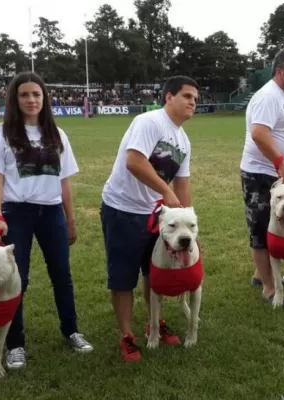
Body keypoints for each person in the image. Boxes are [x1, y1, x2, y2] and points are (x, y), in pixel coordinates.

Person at [0, 71, 93, 370]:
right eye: (25, 95)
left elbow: (65, 181)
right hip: (16, 212)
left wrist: (71, 219)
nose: (32, 100)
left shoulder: (57, 134)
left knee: (62, 275)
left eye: (37, 94)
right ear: (15, 99)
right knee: (18, 279)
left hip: (51, 212)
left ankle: (71, 331)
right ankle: (15, 344)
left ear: (45, 99)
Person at [100, 75, 199, 362]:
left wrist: (188, 224)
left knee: (153, 273)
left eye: (195, 98)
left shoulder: (183, 139)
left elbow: (183, 182)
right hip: (122, 209)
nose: (193, 102)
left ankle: (153, 323)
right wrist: (165, 191)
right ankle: (126, 336)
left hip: (156, 215)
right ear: (169, 97)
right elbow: (134, 161)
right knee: (123, 277)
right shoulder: (150, 122)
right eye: (187, 96)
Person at [239, 46, 284, 306]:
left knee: (277, 223)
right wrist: (281, 162)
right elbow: (259, 134)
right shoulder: (269, 96)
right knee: (260, 228)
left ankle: (260, 273)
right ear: (279, 71)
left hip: (281, 172)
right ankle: (269, 288)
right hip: (261, 173)